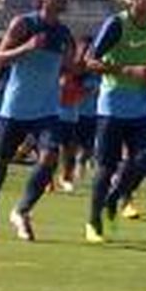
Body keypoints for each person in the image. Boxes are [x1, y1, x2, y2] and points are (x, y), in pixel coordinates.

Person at [0, 0, 75, 241]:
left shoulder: (64, 33)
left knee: (49, 158)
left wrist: (76, 67)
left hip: (47, 110)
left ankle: (21, 211)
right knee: (0, 161)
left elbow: (68, 68)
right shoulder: (23, 24)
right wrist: (28, 47)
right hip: (16, 108)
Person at [85, 0, 146, 244]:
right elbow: (90, 61)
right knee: (106, 167)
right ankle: (93, 221)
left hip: (143, 107)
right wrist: (128, 70)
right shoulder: (116, 24)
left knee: (145, 159)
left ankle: (115, 197)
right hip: (112, 105)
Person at [56, 40, 88, 193]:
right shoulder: (60, 69)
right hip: (56, 115)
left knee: (71, 150)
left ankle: (66, 178)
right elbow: (61, 94)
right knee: (55, 150)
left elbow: (78, 95)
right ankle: (51, 178)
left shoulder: (82, 71)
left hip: (73, 116)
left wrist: (80, 93)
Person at [74, 37, 99, 181]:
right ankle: (65, 174)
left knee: (87, 149)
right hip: (77, 113)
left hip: (93, 115)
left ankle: (79, 173)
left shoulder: (98, 72)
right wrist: (86, 92)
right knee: (70, 148)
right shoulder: (78, 73)